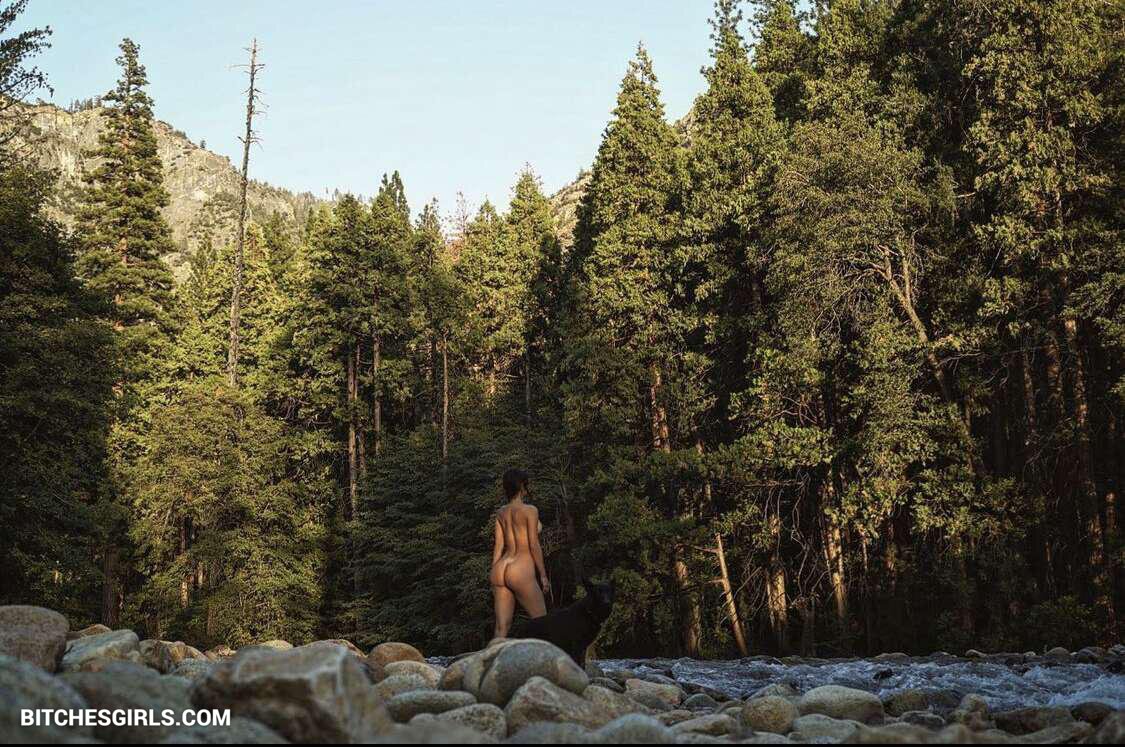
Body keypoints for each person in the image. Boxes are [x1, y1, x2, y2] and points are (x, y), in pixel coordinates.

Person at [490, 468, 550, 639]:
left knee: (501, 628)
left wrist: (493, 574)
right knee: (542, 622)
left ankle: (493, 656)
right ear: (522, 486)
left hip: (500, 567)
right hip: (520, 568)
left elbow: (498, 546)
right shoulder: (530, 510)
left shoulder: (501, 512)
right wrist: (543, 575)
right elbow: (533, 544)